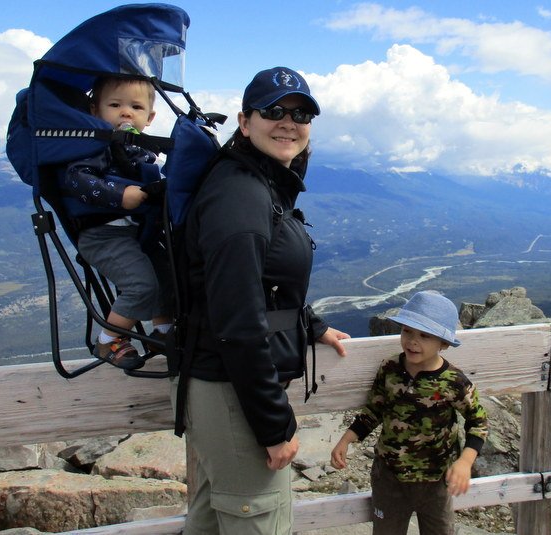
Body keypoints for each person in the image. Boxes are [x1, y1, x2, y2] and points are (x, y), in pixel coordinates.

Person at [173, 66, 351, 535]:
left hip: (225, 389)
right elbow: (237, 319)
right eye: (274, 110)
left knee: (213, 521)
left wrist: (308, 323)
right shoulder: (240, 194)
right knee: (260, 520)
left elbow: (261, 282)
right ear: (244, 120)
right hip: (233, 394)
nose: (289, 122)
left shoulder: (259, 184)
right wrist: (273, 426)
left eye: (301, 113)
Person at [331, 291, 489, 535]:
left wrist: (465, 462)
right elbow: (374, 409)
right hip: (389, 477)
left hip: (437, 481)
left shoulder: (454, 382)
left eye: (425, 335)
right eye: (407, 331)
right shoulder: (390, 368)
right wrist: (346, 440)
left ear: (443, 343)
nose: (413, 341)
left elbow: (478, 422)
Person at [59, 76, 172, 370]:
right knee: (142, 285)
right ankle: (108, 341)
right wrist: (122, 195)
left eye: (136, 106)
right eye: (115, 105)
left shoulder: (140, 150)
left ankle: (163, 334)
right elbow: (77, 180)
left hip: (135, 233)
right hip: (102, 235)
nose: (126, 113)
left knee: (166, 276)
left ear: (149, 118)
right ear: (95, 111)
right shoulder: (96, 147)